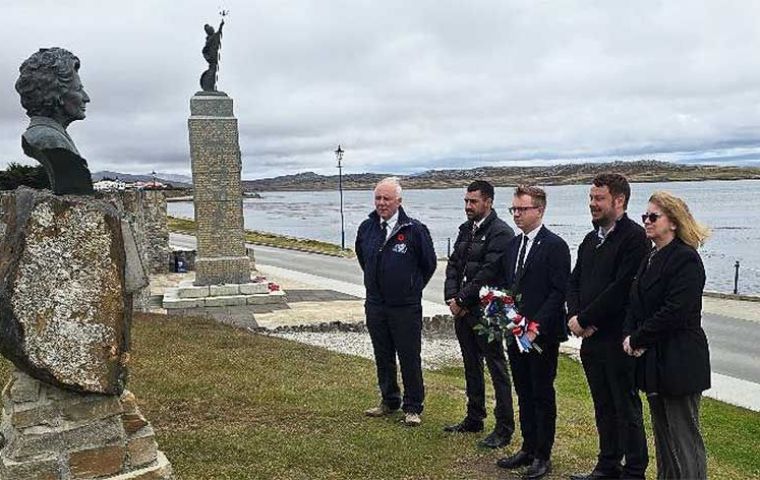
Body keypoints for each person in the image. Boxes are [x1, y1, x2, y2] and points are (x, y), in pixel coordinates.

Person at [566, 173, 649, 480]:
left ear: (619, 201)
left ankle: (634, 470)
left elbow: (621, 288)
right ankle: (607, 465)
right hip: (591, 340)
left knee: (625, 407)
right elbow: (573, 281)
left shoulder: (635, 239)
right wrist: (574, 317)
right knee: (603, 406)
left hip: (617, 338)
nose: (593, 205)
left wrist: (586, 319)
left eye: (599, 199)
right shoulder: (590, 240)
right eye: (591, 198)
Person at [623, 191, 711, 480]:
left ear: (673, 222)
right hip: (654, 361)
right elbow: (636, 301)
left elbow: (676, 311)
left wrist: (637, 339)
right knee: (663, 435)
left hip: (680, 359)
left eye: (653, 217)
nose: (646, 222)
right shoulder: (651, 256)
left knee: (684, 436)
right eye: (644, 216)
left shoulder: (686, 260)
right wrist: (630, 335)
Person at [497, 185, 570, 480]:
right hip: (516, 331)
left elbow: (558, 291)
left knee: (542, 392)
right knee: (523, 390)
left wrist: (534, 327)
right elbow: (507, 286)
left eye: (521, 209)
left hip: (542, 334)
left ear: (539, 210)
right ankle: (527, 446)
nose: (516, 214)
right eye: (513, 209)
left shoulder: (555, 246)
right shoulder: (513, 246)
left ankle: (543, 454)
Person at [355, 177, 437, 426]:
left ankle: (412, 407)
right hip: (376, 304)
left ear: (398, 202)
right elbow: (363, 257)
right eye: (378, 198)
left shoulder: (414, 230)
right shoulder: (367, 228)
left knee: (409, 356)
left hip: (405, 307)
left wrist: (410, 287)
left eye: (386, 199)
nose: (381, 203)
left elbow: (429, 264)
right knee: (383, 354)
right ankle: (389, 400)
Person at [443, 180, 515, 448]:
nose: (468, 206)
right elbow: (454, 265)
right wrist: (452, 296)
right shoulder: (466, 230)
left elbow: (489, 271)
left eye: (473, 201)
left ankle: (504, 426)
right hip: (464, 310)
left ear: (488, 202)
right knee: (471, 365)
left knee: (496, 367)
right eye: (466, 201)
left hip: (490, 309)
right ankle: (474, 417)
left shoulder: (501, 233)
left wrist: (462, 298)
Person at [15, 47, 93, 195]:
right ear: (57, 95)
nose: (86, 97)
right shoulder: (49, 139)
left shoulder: (52, 136)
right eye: (78, 89)